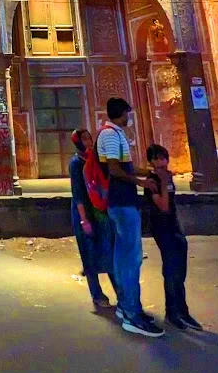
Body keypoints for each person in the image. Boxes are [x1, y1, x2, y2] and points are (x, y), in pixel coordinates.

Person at [96, 97, 165, 337]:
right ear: (122, 113)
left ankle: (126, 307)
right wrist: (141, 182)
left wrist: (148, 172)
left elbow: (124, 166)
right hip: (122, 202)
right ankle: (132, 314)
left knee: (123, 255)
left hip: (121, 202)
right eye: (128, 113)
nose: (130, 117)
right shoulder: (111, 135)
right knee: (131, 258)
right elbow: (115, 170)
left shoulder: (112, 133)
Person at [144, 144, 202, 331]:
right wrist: (162, 182)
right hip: (161, 228)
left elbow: (172, 207)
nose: (161, 162)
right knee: (170, 270)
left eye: (163, 158)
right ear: (151, 162)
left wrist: (166, 181)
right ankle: (172, 313)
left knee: (180, 269)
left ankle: (183, 310)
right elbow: (163, 206)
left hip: (174, 226)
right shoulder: (152, 181)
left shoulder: (167, 178)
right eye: (156, 159)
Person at [69, 129, 118, 309]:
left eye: (89, 138)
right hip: (85, 211)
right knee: (89, 253)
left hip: (98, 209)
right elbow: (78, 194)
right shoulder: (76, 163)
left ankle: (119, 291)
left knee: (107, 248)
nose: (88, 141)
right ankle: (96, 293)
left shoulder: (94, 160)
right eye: (84, 139)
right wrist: (84, 220)